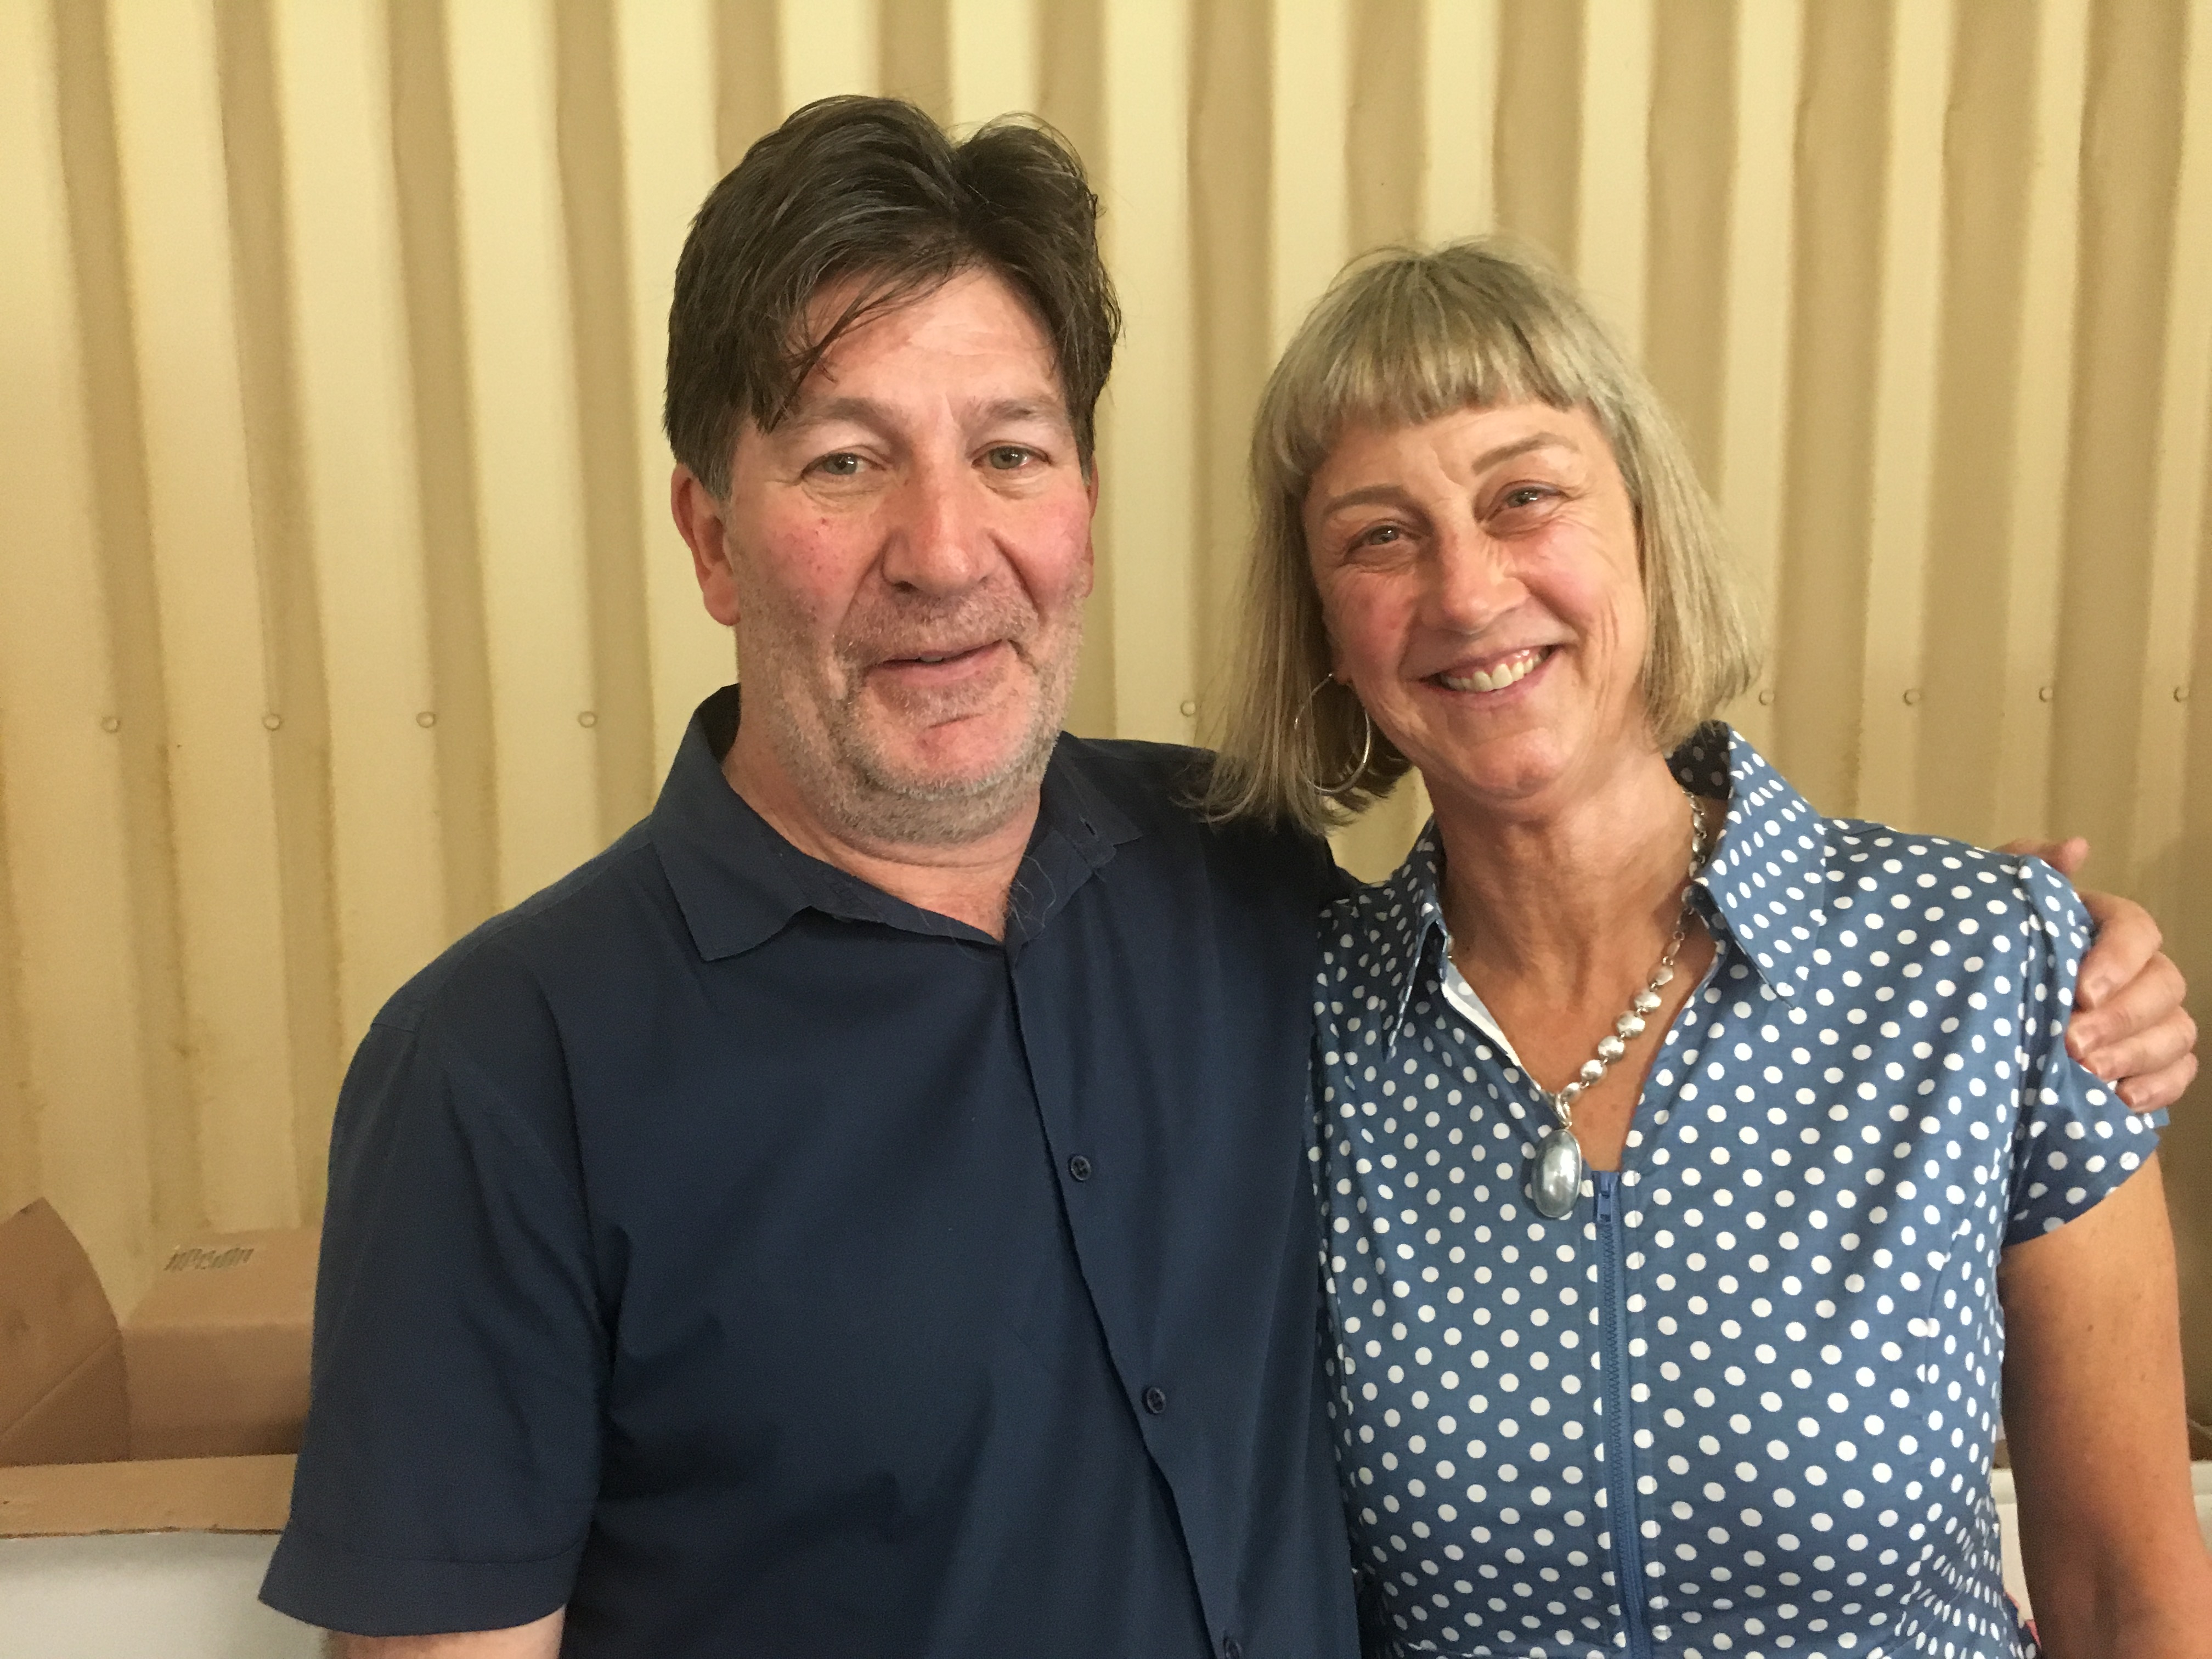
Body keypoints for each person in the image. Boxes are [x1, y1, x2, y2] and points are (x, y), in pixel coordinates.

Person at [258, 100, 2193, 1656]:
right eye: (845, 463)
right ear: (709, 534)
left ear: (1084, 509)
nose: (947, 550)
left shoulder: (1246, 888)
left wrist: (2036, 955)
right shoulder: (499, 1074)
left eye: (1011, 452)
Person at [1206, 238, 2212, 1656]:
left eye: (1525, 496)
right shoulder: (1294, 1029)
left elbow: (2126, 1591)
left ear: (1645, 526)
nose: (1469, 592)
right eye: (1381, 535)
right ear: (1325, 631)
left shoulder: (1984, 971)